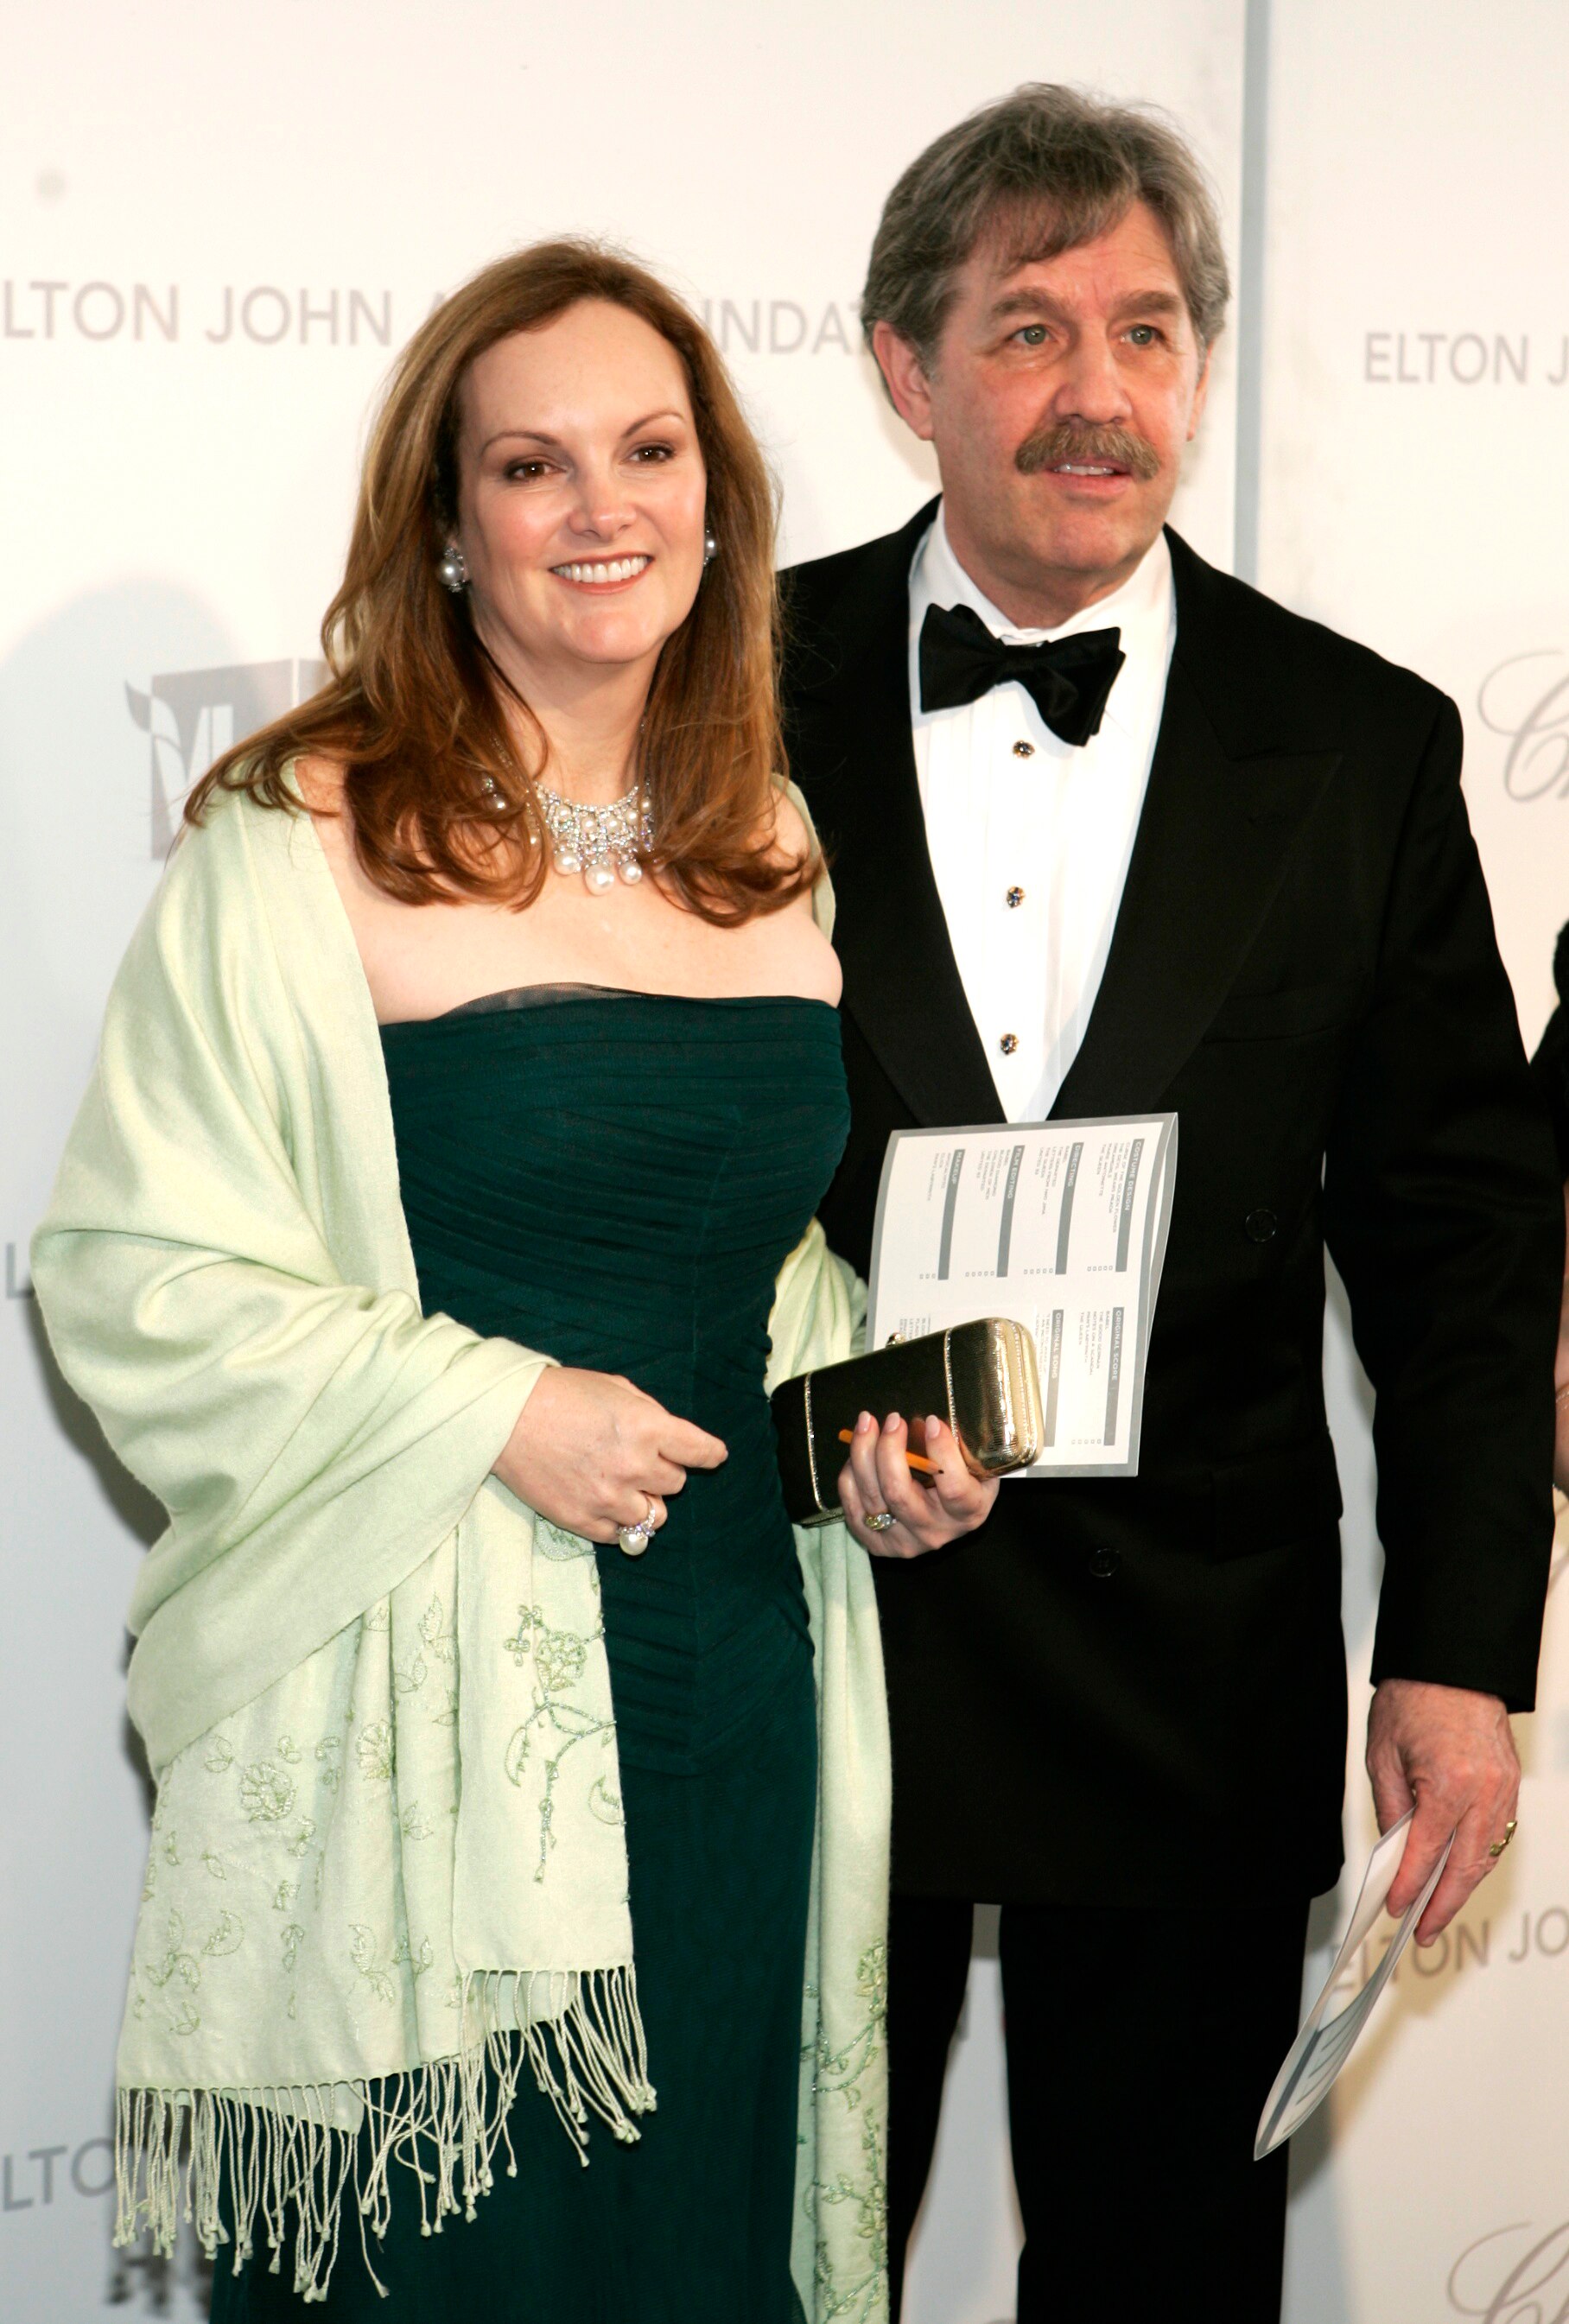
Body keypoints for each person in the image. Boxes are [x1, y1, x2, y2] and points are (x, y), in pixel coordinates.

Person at [32, 240, 997, 2321]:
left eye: (648, 451)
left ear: (717, 498)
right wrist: (493, 1407)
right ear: (448, 526)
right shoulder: (296, 836)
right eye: (532, 465)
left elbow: (767, 1262)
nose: (600, 508)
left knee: (697, 2256)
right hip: (424, 1728)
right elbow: (132, 1272)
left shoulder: (770, 838)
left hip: (736, 1689)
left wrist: (871, 1439)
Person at [780, 84, 1562, 2323]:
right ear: (906, 366)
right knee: (773, 2268)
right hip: (813, 1625)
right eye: (1027, 328)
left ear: (1199, 371)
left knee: (1167, 2286)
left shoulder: (1361, 745)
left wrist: (1456, 1648)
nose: (1098, 391)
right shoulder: (720, 691)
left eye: (1146, 330)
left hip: (1192, 1663)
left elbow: (1457, 1236)